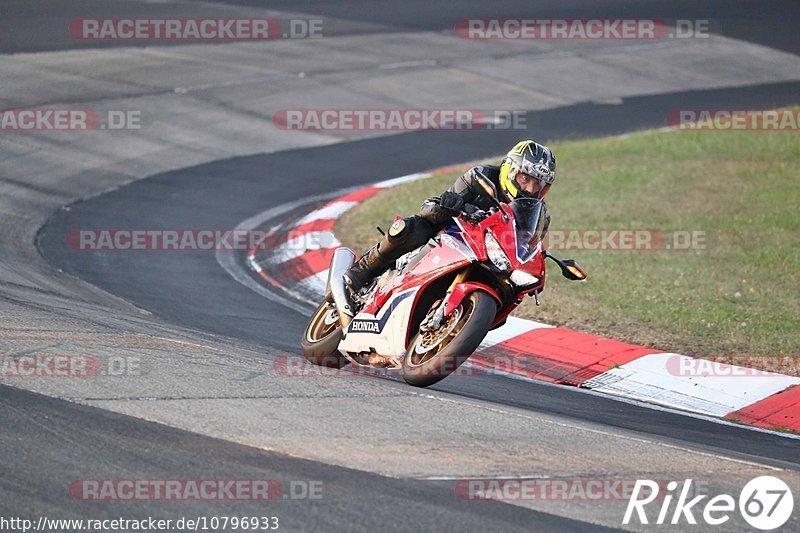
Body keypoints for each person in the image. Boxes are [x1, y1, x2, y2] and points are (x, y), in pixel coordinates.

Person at [343, 140, 556, 293]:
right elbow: (437, 206)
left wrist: (537, 260)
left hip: (488, 254)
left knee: (512, 288)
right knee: (415, 226)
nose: (529, 188)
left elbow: (530, 242)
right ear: (511, 170)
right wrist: (453, 204)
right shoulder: (480, 176)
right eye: (525, 178)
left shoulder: (536, 210)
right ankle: (364, 269)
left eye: (538, 184)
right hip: (452, 232)